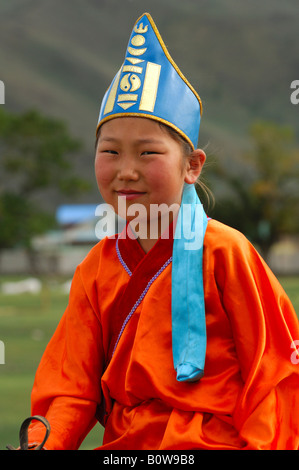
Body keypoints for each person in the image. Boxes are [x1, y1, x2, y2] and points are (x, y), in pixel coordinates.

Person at [27, 12, 299, 450]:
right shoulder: (96, 269)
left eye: (147, 152)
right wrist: (45, 442)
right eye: (110, 151)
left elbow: (273, 377)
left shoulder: (227, 252)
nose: (125, 171)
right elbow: (68, 388)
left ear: (191, 166)